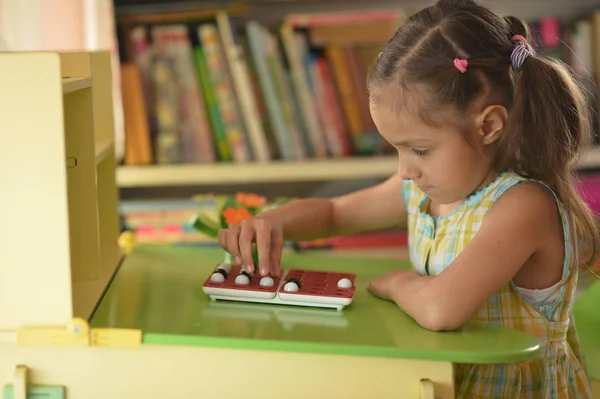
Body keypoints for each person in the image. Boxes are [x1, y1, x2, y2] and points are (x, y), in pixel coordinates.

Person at [218, 0, 598, 396]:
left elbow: (440, 309)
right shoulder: (423, 189)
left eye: (418, 149)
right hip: (445, 382)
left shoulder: (523, 205)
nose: (405, 170)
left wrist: (398, 283)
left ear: (489, 125)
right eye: (396, 150)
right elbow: (334, 212)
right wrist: (272, 222)